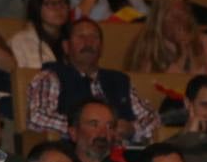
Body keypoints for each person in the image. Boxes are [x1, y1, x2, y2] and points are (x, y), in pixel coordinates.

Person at [27, 19, 161, 141]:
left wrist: (133, 129)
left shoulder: (119, 80)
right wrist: (87, 128)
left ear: (101, 48)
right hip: (73, 157)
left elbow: (152, 118)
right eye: (81, 36)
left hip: (121, 155)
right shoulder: (51, 76)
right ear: (66, 47)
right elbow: (37, 118)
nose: (88, 42)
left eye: (94, 37)